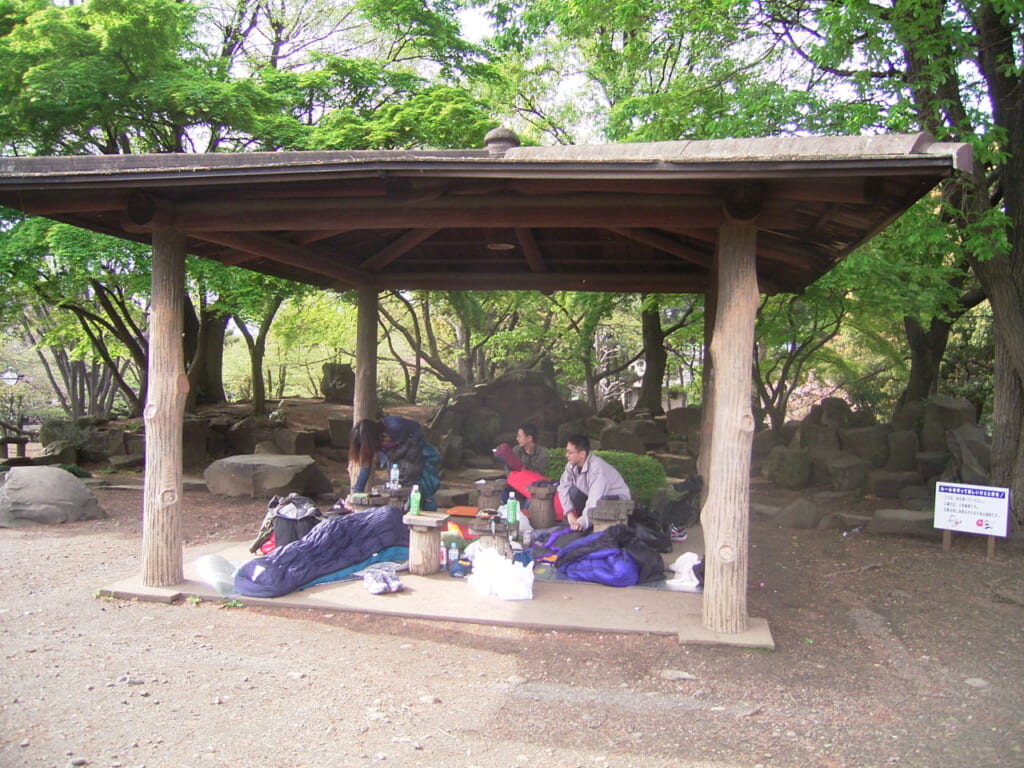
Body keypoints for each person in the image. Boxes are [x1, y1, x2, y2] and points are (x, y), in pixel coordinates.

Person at [557, 434, 631, 531]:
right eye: (566, 451)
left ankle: (586, 524)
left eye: (570, 452)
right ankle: (583, 522)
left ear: (582, 454)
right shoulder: (571, 466)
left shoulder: (597, 469)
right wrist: (569, 513)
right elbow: (563, 487)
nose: (567, 455)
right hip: (595, 497)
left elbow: (595, 499)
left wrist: (582, 522)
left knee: (587, 517)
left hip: (615, 501)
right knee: (573, 492)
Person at [379, 415, 442, 511]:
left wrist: (413, 447)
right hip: (400, 463)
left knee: (425, 493)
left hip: (419, 460)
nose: (384, 441)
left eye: (385, 438)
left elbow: (416, 428)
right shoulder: (385, 446)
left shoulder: (394, 425)